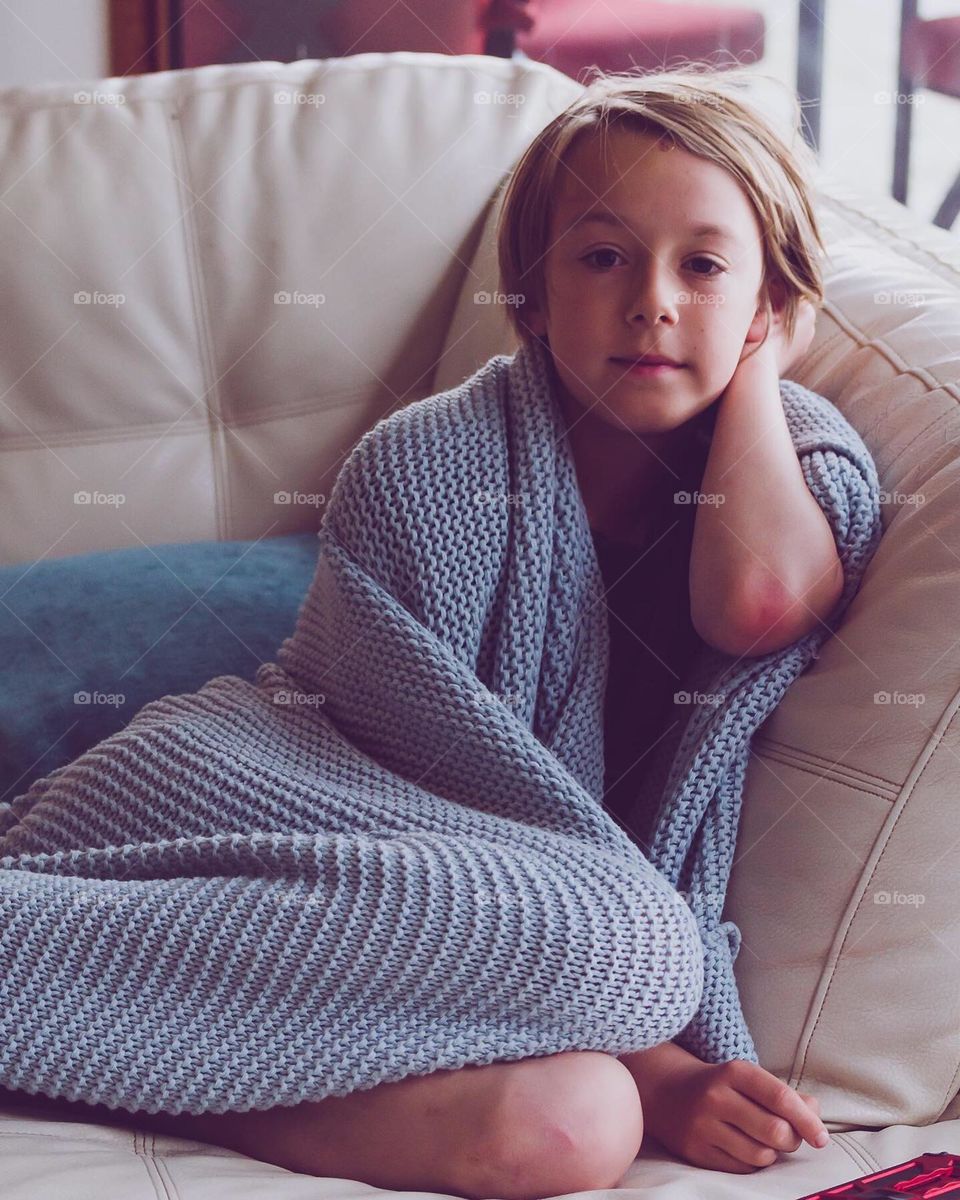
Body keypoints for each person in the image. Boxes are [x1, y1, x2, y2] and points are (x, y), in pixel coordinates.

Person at [0, 65, 839, 1198]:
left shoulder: (802, 462)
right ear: (531, 299)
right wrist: (657, 1043)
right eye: (602, 257)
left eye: (703, 266)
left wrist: (755, 380)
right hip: (259, 794)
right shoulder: (430, 466)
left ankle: (127, 1060)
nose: (653, 300)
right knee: (639, 945)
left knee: (576, 1125)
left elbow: (759, 606)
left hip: (489, 940)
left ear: (770, 308)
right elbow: (453, 782)